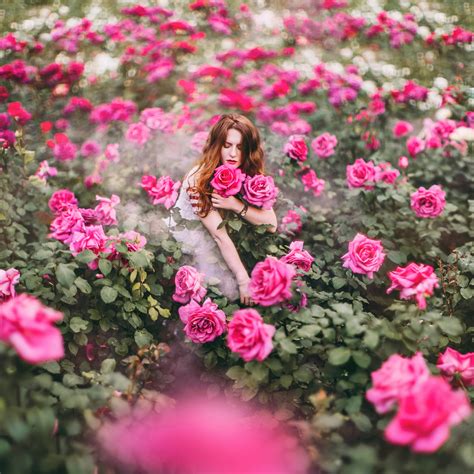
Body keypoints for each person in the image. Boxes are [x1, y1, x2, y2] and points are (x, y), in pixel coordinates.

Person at [172, 114, 277, 306]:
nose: (233, 154)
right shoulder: (197, 180)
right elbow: (220, 236)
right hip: (187, 251)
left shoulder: (246, 172)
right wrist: (243, 280)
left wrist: (235, 205)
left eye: (240, 147)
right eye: (227, 145)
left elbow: (271, 225)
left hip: (223, 250)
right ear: (216, 146)